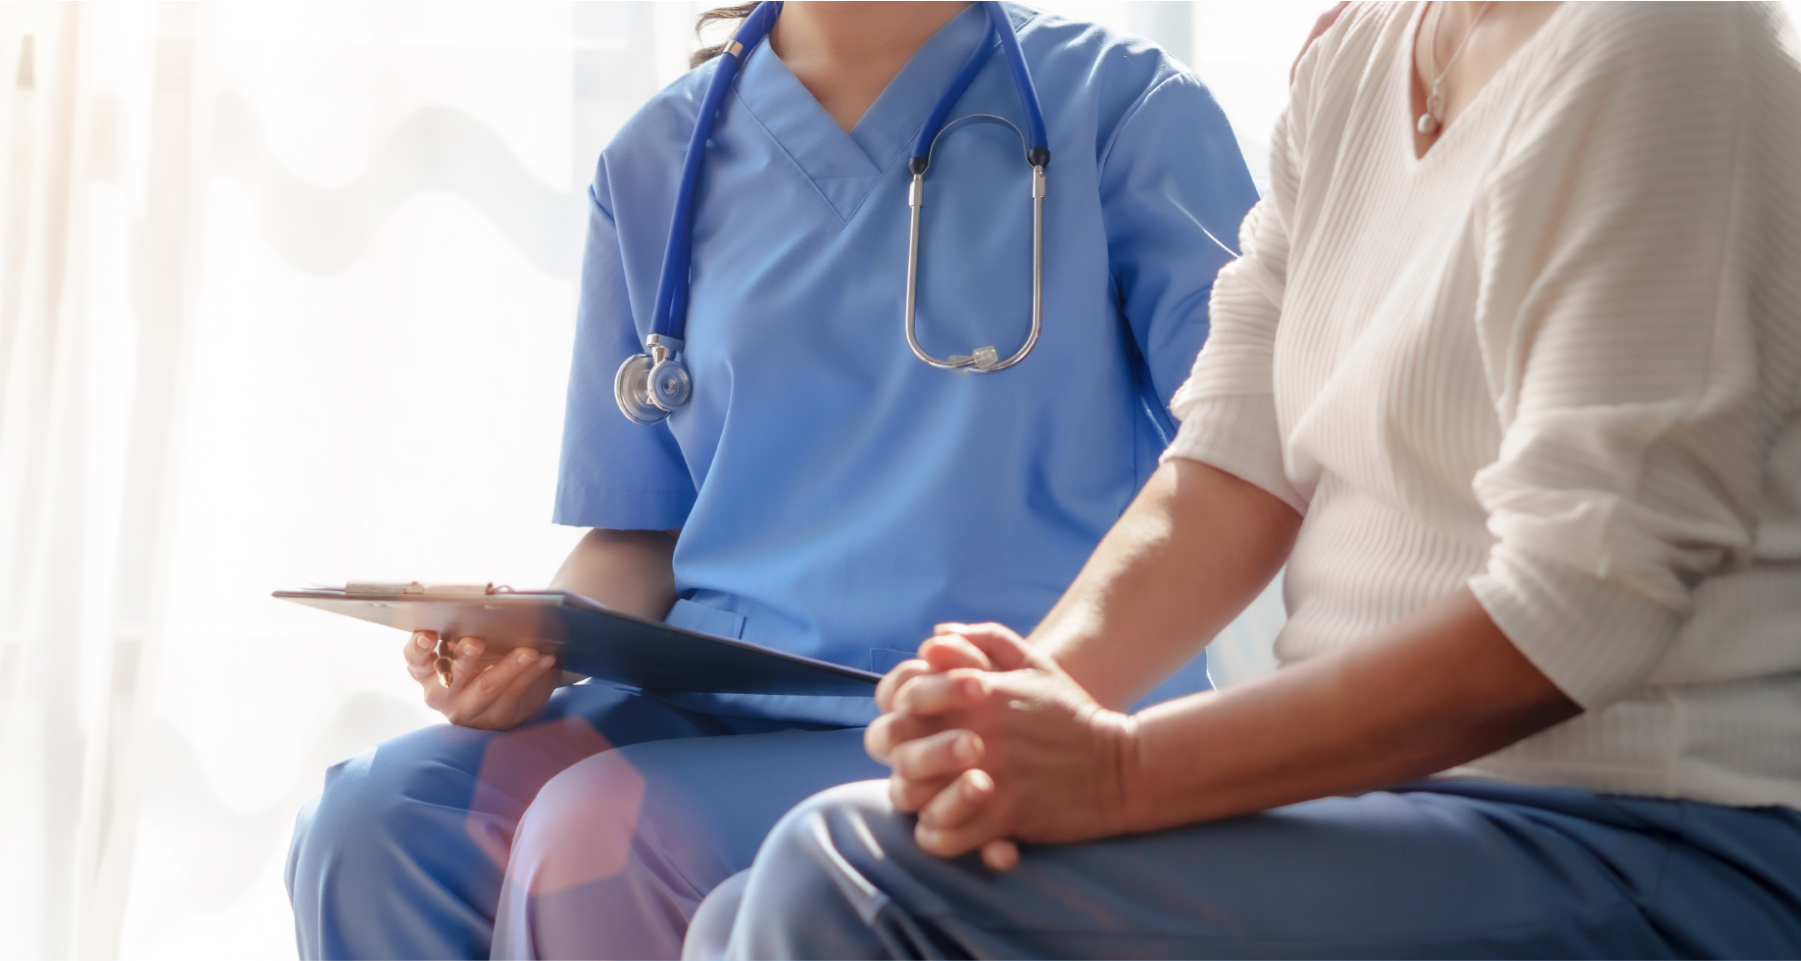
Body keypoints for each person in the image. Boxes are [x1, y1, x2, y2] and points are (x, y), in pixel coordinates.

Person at [700, 2, 1801, 957]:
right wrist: (1012, 714)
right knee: (741, 910)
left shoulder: (1672, 41)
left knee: (844, 884)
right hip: (1389, 814)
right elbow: (1230, 465)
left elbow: (1585, 604)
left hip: (1643, 849)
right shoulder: (1363, 57)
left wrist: (1114, 771)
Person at [283, 2, 1260, 957]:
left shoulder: (1122, 108)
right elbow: (643, 528)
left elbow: (1250, 456)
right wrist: (533, 641)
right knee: (377, 820)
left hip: (996, 704)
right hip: (716, 706)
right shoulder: (658, 158)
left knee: (604, 832)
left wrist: (1045, 691)